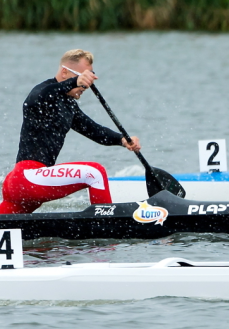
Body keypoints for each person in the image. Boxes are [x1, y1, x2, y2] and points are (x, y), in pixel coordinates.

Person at [0, 50, 141, 214]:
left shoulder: (68, 106)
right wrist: (75, 81)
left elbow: (94, 130)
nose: (85, 86)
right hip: (27, 177)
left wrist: (122, 139)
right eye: (83, 77)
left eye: (88, 79)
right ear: (65, 72)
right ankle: (106, 226)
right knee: (95, 172)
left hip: (25, 185)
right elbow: (44, 93)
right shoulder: (42, 93)